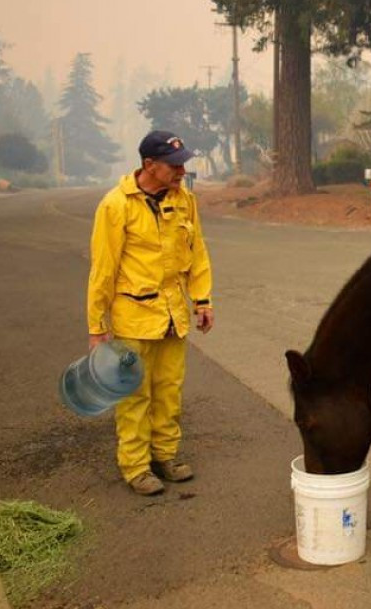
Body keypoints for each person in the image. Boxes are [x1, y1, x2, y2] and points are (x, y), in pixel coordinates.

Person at [87, 130, 214, 496]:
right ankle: (136, 466)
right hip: (133, 319)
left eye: (183, 163)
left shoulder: (184, 199)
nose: (181, 170)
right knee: (134, 396)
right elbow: (103, 270)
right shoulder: (116, 206)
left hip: (173, 317)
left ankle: (165, 455)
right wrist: (97, 327)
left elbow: (197, 251)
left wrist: (202, 300)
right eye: (174, 165)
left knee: (169, 391)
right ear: (149, 165)